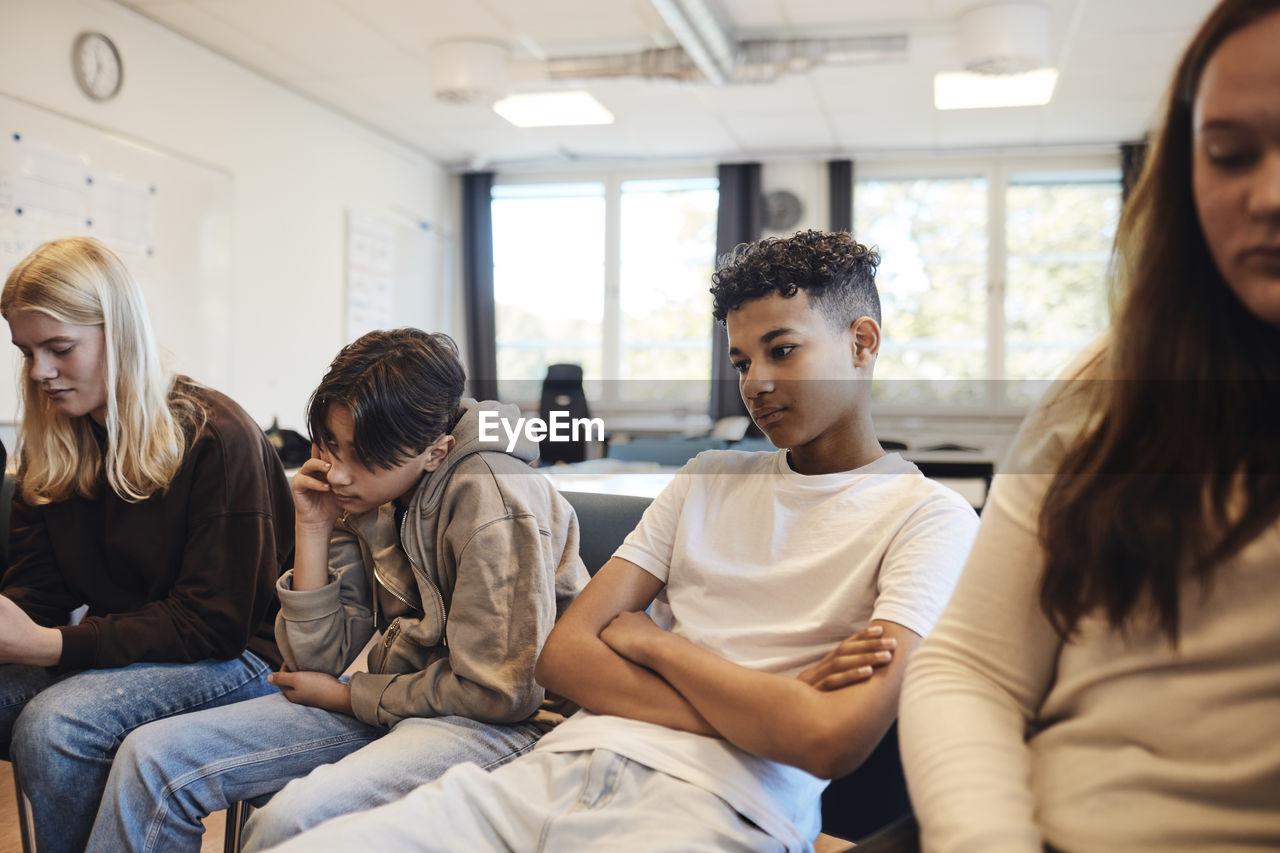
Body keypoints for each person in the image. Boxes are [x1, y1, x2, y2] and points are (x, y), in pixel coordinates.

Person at [260, 230, 981, 853]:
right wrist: (778, 705)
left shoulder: (932, 517)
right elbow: (565, 657)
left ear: (861, 343)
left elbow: (828, 739)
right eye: (740, 361)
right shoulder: (708, 476)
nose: (755, 383)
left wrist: (654, 643)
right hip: (557, 766)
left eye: (782, 350)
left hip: (717, 805)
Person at [897, 2, 1280, 851]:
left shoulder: (914, 514)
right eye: (1229, 154)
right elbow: (970, 667)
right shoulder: (1103, 397)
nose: (1270, 194)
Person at [90, 328, 590, 852]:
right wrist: (311, 528)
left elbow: (501, 691)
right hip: (398, 697)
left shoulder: (492, 498)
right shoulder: (367, 493)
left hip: (500, 721)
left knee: (295, 822)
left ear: (436, 452)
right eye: (331, 443)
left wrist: (353, 697)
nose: (340, 474)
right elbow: (316, 660)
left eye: (366, 458)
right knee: (149, 759)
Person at [0, 236, 293, 853]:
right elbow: (40, 594)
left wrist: (52, 645)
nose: (39, 373)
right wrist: (19, 624)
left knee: (57, 727)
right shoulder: (55, 445)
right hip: (134, 645)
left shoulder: (220, 436)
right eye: (25, 351)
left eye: (60, 349)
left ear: (120, 334)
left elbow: (214, 624)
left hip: (240, 659)